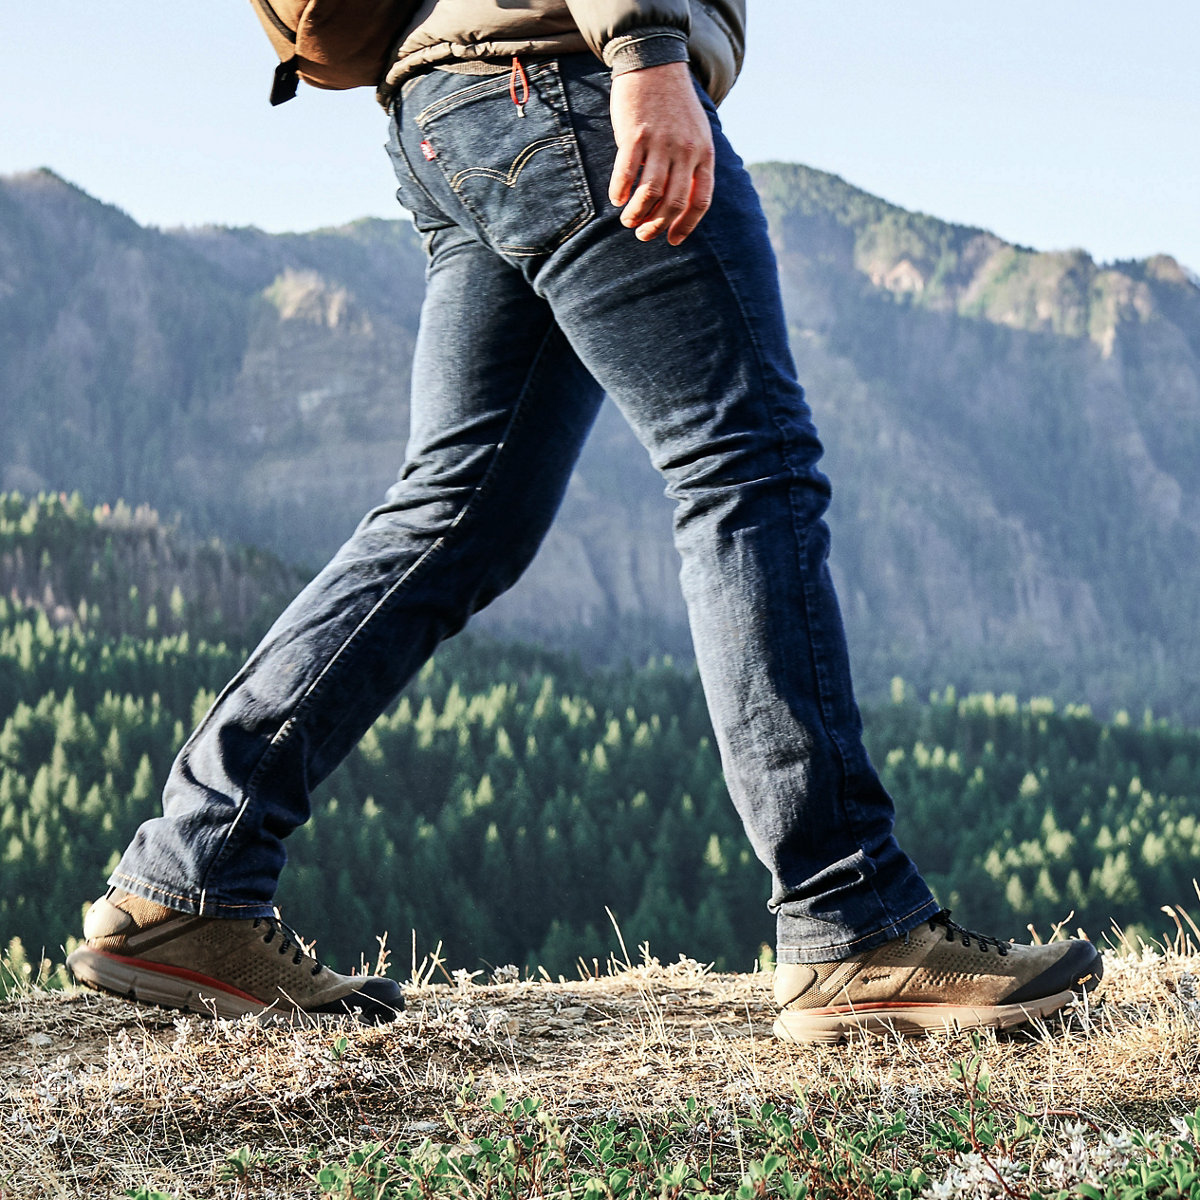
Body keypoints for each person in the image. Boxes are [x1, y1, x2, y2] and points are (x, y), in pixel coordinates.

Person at [67, 0, 1102, 1041]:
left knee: (459, 511)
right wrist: (648, 45)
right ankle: (852, 918)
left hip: (448, 112)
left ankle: (190, 873)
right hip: (566, 83)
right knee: (745, 464)